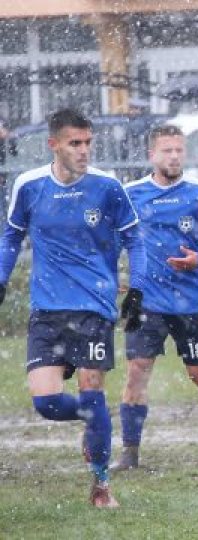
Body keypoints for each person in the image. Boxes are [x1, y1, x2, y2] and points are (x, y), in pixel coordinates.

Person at [0, 108, 147, 508]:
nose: (84, 151)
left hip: (94, 308)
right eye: (75, 143)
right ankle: (92, 420)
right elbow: (11, 237)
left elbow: (134, 238)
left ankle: (101, 486)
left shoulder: (107, 187)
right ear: (54, 145)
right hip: (46, 309)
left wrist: (137, 287)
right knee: (47, 403)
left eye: (88, 143)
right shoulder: (29, 186)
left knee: (92, 388)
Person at [112, 124, 198, 471]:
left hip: (192, 303)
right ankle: (129, 453)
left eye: (178, 150)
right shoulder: (130, 194)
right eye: (167, 150)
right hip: (148, 302)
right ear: (151, 155)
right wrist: (113, 276)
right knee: (136, 373)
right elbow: (111, 239)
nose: (173, 156)